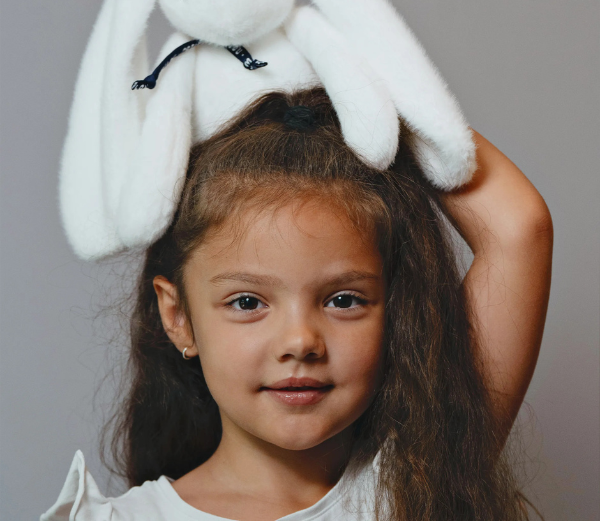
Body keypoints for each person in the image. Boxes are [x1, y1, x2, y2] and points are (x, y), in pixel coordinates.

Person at [41, 86, 553, 521]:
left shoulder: (418, 485)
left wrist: (363, 89)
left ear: (398, 312)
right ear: (178, 318)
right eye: (247, 302)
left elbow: (518, 230)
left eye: (344, 300)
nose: (300, 341)